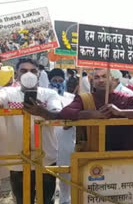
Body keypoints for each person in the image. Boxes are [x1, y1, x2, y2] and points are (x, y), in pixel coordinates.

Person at [24, 68, 133, 152]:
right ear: (92, 82)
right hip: (93, 156)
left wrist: (120, 112)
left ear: (113, 80)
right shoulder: (84, 99)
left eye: (104, 76)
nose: (100, 80)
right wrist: (92, 114)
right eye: (96, 78)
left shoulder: (126, 98)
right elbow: (65, 113)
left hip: (124, 155)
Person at [0, 58, 61, 204]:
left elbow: (57, 112)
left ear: (39, 74)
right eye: (24, 71)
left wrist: (43, 111)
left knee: (46, 200)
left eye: (33, 71)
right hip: (18, 159)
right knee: (22, 200)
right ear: (16, 74)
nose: (29, 74)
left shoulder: (49, 94)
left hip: (46, 157)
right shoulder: (8, 93)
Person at [48, 68, 75, 204]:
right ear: (49, 82)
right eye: (54, 81)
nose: (58, 83)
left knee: (66, 179)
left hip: (67, 143)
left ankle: (65, 201)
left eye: (60, 80)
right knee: (48, 179)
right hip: (48, 144)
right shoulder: (45, 97)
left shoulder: (72, 98)